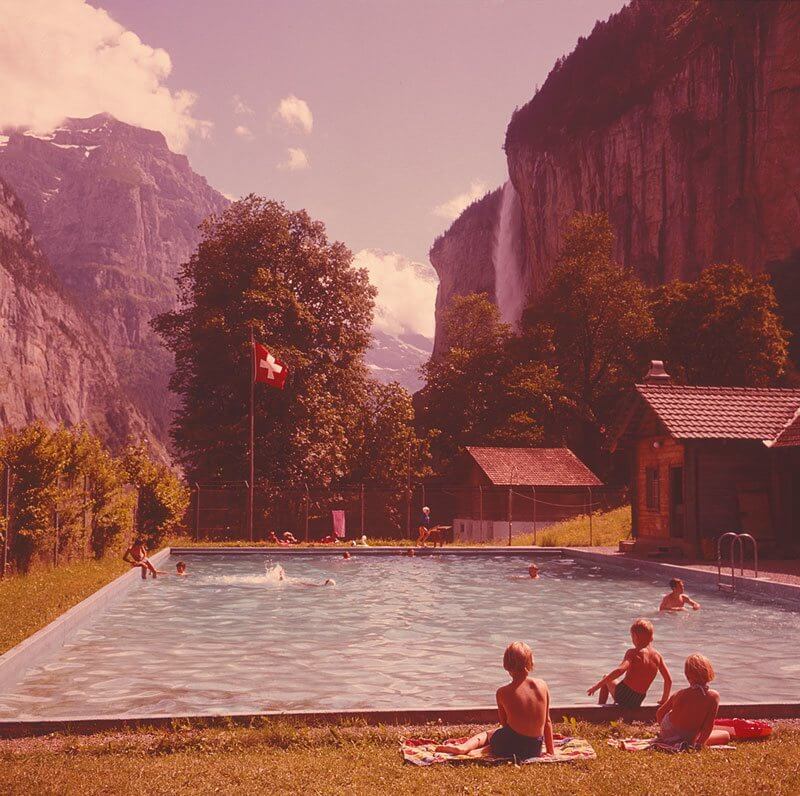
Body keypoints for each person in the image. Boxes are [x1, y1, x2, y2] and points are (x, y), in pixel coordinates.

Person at [435, 641, 554, 760]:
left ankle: (464, 748)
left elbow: (505, 725)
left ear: (506, 665)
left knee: (489, 734)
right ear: (530, 662)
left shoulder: (502, 692)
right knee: (511, 737)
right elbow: (547, 722)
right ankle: (484, 750)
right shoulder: (542, 685)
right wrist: (550, 751)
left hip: (507, 746)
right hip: (533, 749)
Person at [587, 618, 671, 708]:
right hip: (638, 699)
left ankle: (600, 709)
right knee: (610, 681)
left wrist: (597, 686)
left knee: (606, 678)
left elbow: (620, 670)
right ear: (651, 637)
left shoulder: (633, 652)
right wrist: (664, 700)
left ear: (635, 637)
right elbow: (668, 680)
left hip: (624, 695)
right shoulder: (658, 656)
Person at [655, 654, 731, 748]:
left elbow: (660, 713)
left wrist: (664, 731)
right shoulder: (713, 696)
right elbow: (708, 726)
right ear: (709, 673)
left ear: (687, 675)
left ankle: (672, 737)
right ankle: (691, 739)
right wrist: (699, 744)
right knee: (725, 735)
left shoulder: (680, 693)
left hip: (668, 733)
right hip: (688, 737)